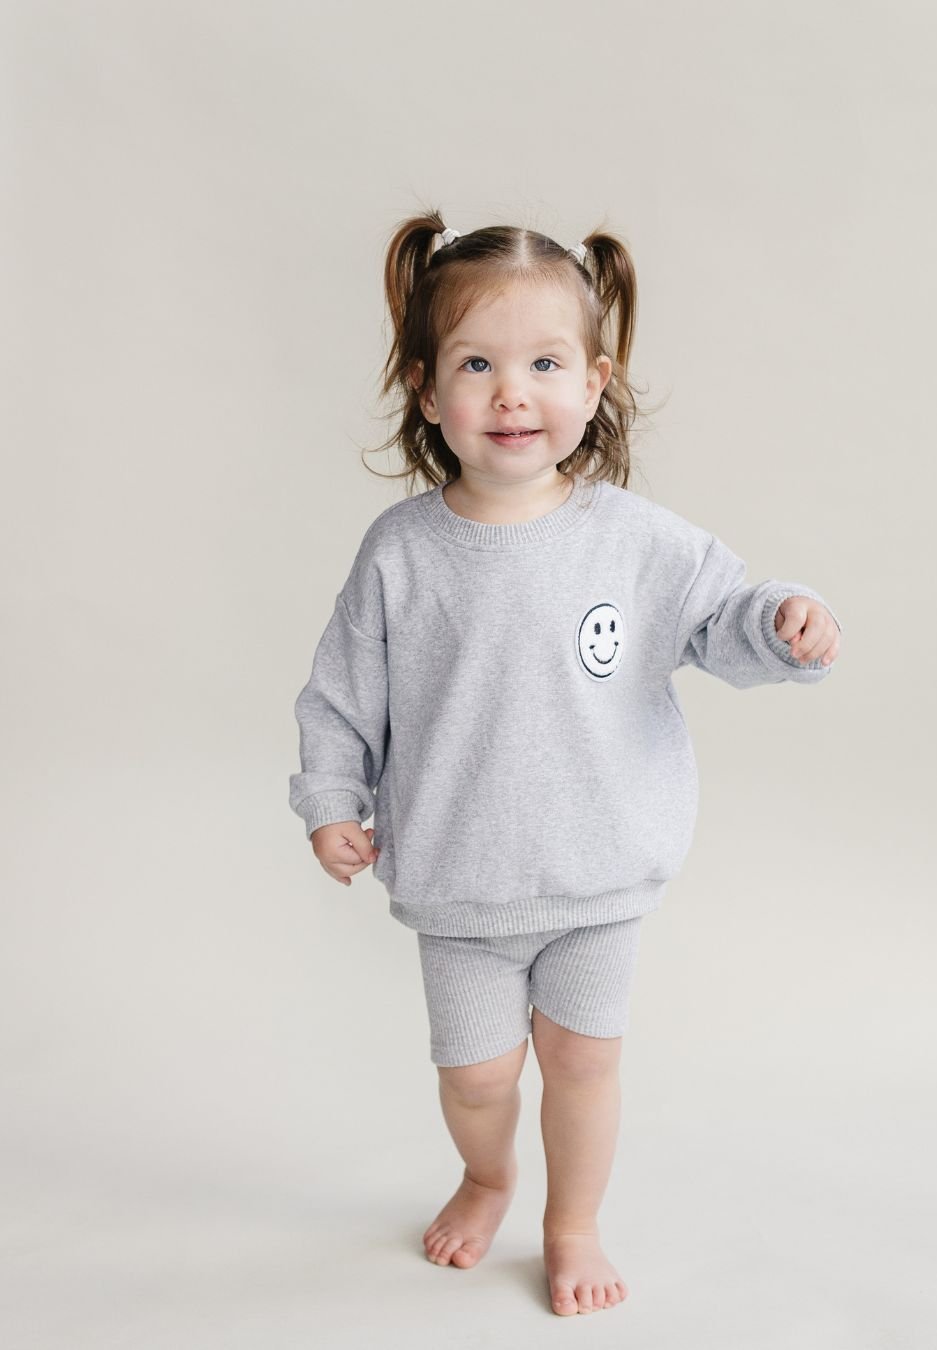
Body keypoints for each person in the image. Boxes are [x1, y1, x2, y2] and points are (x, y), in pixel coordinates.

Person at [288, 210, 843, 1316]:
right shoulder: (403, 553)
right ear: (426, 385)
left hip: (599, 878)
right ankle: (488, 1173)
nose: (511, 393)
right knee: (478, 1077)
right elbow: (340, 692)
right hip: (459, 883)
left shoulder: (633, 539)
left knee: (584, 1065)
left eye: (544, 364)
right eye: (478, 364)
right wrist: (330, 801)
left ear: (593, 384)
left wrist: (784, 619)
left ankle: (572, 1220)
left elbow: (720, 614)